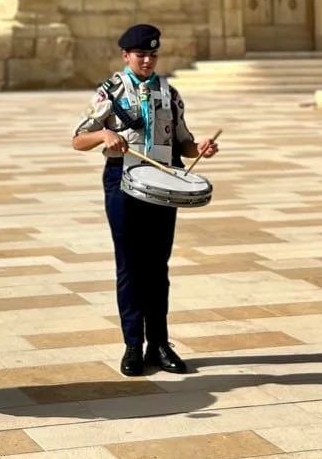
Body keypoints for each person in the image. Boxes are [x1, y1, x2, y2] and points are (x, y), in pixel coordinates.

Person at [71, 23, 218, 376]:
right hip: (123, 183)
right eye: (141, 55)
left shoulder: (169, 94)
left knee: (158, 266)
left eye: (153, 55)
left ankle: (160, 344)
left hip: (163, 184)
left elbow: (182, 141)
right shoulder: (111, 93)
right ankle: (132, 344)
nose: (148, 61)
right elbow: (78, 138)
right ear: (126, 56)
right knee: (131, 265)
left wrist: (200, 149)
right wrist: (104, 134)